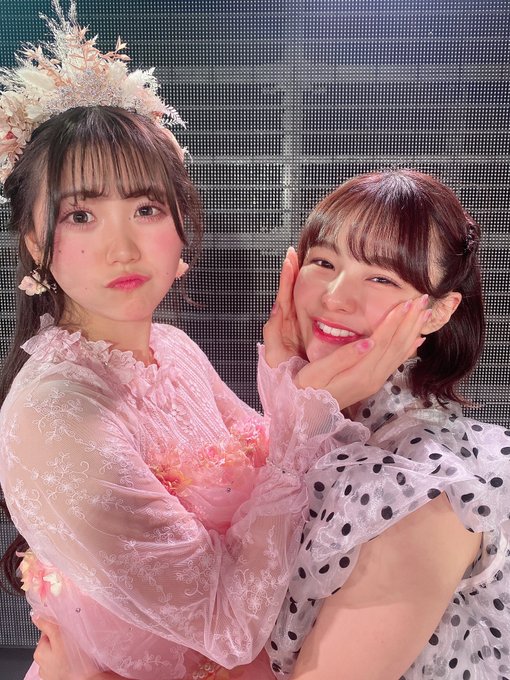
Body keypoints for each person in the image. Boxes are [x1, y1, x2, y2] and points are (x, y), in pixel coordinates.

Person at [0, 4, 428, 680]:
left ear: (181, 228)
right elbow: (227, 627)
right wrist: (310, 407)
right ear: (34, 242)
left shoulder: (171, 347)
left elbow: (273, 471)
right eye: (81, 215)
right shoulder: (58, 416)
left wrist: (287, 371)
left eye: (146, 209)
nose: (122, 246)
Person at [265, 169, 510, 679]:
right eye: (323, 262)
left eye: (381, 278)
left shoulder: (426, 491)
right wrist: (290, 397)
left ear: (437, 313)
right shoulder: (320, 422)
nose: (335, 296)